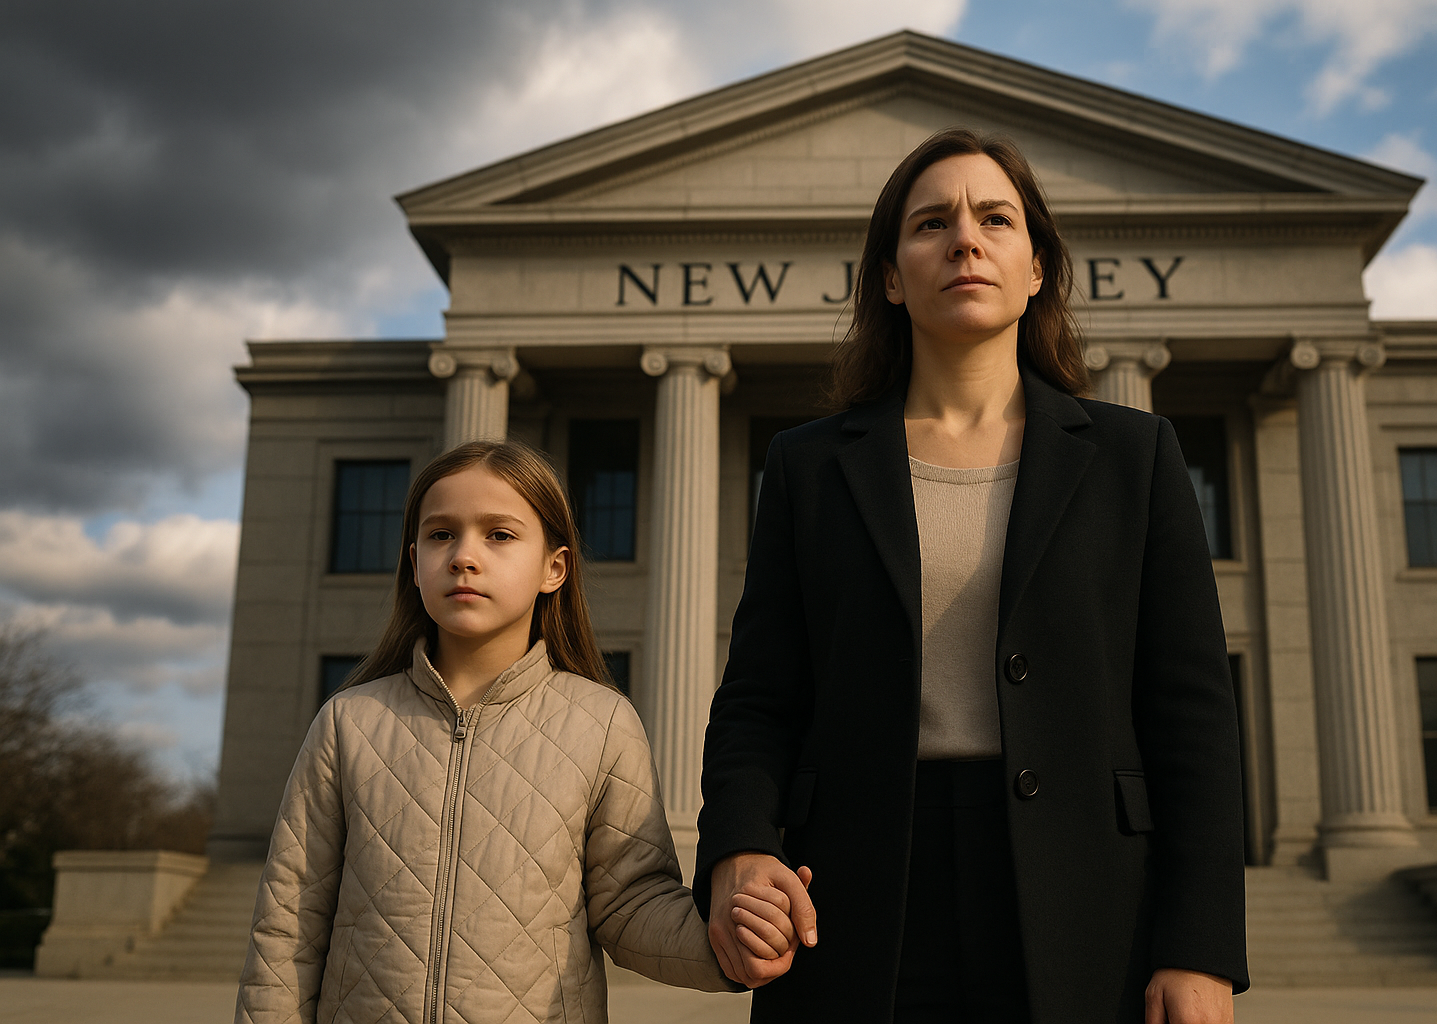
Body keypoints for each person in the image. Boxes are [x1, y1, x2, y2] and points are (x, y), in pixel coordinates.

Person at [695, 128, 1249, 1024]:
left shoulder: (1132, 456)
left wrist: (1201, 945)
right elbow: (761, 696)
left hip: (1086, 904)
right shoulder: (807, 467)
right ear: (888, 274)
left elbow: (1191, 714)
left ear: (1036, 268)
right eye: (930, 224)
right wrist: (735, 850)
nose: (965, 239)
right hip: (854, 900)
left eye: (996, 218)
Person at [234, 440, 791, 1023]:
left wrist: (731, 945)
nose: (463, 556)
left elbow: (630, 903)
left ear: (555, 568)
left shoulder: (601, 722)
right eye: (440, 534)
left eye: (499, 535)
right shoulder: (349, 723)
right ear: (414, 560)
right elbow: (287, 931)